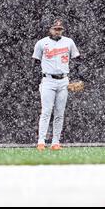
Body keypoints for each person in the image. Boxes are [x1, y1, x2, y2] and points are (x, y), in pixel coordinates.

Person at [32, 18, 82, 151]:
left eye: (60, 29)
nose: (58, 31)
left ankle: (55, 142)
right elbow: (35, 64)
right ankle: (41, 141)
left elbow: (77, 60)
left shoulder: (69, 42)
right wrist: (37, 80)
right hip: (48, 80)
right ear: (50, 29)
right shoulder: (42, 43)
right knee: (46, 112)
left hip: (64, 81)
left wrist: (77, 78)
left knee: (60, 113)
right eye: (55, 29)